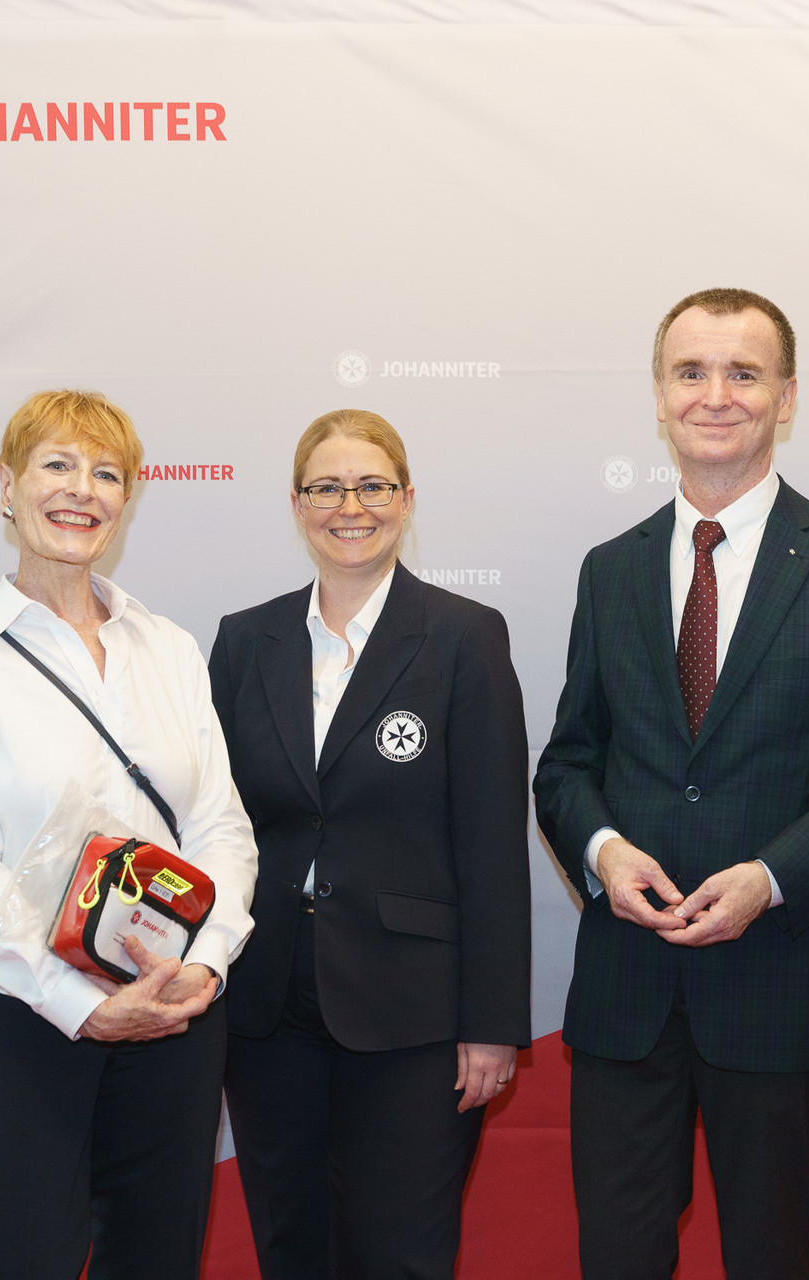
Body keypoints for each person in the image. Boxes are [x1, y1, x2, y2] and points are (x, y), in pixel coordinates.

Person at [533, 288, 809, 1280]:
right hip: (627, 992)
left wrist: (770, 874)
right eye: (691, 371)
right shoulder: (609, 568)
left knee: (768, 1253)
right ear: (661, 396)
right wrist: (602, 850)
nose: (715, 394)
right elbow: (567, 761)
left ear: (787, 396)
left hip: (777, 979)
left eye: (743, 373)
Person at [0, 389, 259, 1280]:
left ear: (127, 499)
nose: (82, 490)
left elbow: (222, 829)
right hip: (19, 1019)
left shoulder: (167, 647)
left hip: (171, 1013)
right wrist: (85, 1005)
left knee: (157, 1258)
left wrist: (203, 969)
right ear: (9, 487)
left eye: (106, 473)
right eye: (57, 464)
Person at [208, 409, 531, 1280]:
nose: (350, 505)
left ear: (406, 499)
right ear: (297, 503)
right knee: (292, 1247)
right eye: (327, 487)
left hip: (414, 1012)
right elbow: (214, 825)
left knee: (400, 1255)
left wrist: (493, 1024)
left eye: (372, 485)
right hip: (268, 1003)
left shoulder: (465, 636)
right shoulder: (246, 641)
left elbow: (494, 842)